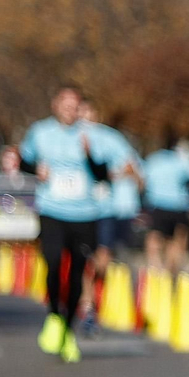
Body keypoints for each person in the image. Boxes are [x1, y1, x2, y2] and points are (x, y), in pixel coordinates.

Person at [19, 84, 110, 364]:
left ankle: (67, 329)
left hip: (84, 214)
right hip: (52, 210)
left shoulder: (91, 135)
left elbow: (103, 174)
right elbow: (23, 162)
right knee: (54, 263)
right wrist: (37, 170)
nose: (71, 110)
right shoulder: (40, 132)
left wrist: (89, 156)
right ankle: (54, 316)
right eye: (66, 104)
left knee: (77, 276)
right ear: (55, 105)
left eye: (75, 105)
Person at [79, 100, 141, 328]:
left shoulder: (111, 138)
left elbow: (131, 169)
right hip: (74, 209)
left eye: (88, 111)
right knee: (82, 259)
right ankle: (86, 302)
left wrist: (111, 175)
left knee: (101, 259)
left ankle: (91, 301)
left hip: (103, 208)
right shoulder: (65, 137)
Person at [142, 133, 189, 275]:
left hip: (157, 204)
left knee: (154, 237)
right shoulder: (182, 161)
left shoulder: (154, 160)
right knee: (176, 240)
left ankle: (155, 267)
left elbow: (144, 180)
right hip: (178, 206)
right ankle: (171, 271)